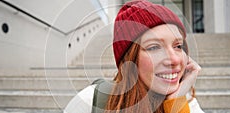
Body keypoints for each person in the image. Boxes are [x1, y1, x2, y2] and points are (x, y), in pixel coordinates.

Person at [64, 0, 204, 113]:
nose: (174, 60)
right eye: (154, 47)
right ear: (129, 60)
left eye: (178, 46)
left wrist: (175, 104)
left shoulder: (186, 103)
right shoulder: (90, 101)